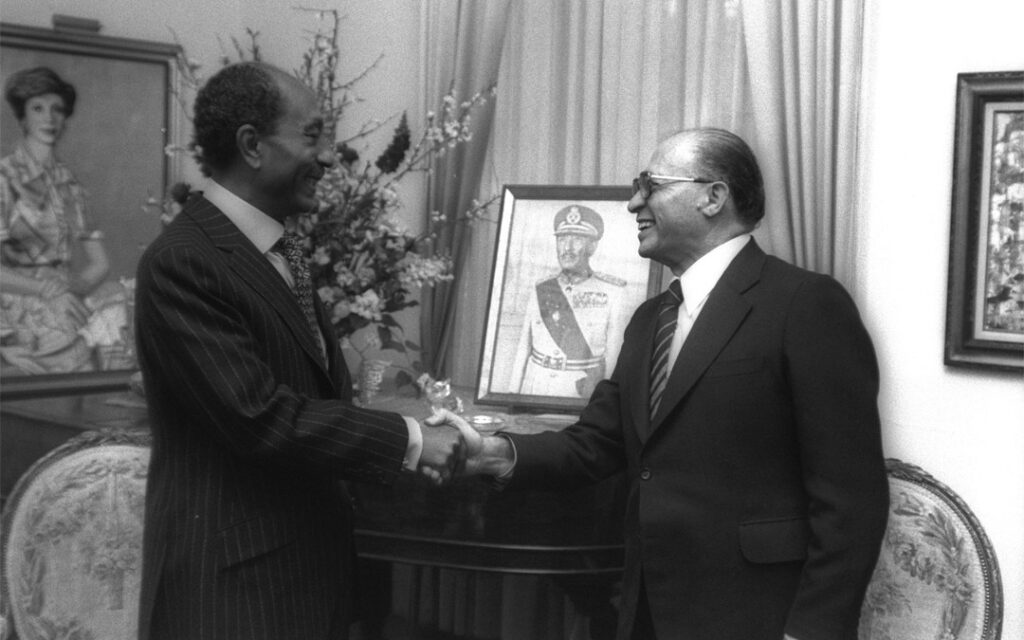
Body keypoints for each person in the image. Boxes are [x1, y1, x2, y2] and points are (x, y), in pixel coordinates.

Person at [435, 128, 890, 640]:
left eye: (650, 185)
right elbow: (596, 444)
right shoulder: (652, 318)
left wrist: (813, 630)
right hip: (649, 609)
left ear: (713, 196)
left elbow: (851, 498)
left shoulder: (805, 305)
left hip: (758, 617)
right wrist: (489, 454)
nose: (633, 203)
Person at [134, 61, 463, 640]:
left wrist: (398, 414)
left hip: (300, 581)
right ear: (252, 146)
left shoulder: (279, 248)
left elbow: (303, 394)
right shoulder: (185, 261)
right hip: (232, 600)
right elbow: (258, 417)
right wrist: (409, 441)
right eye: (312, 136)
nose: (332, 157)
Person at [0, 66, 111, 374]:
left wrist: (72, 288)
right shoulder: (3, 178)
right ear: (22, 117)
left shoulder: (71, 185)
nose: (49, 118)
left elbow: (100, 264)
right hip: (11, 314)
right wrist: (49, 292)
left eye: (57, 110)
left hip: (62, 308)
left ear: (65, 119)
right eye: (38, 108)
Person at [508, 204, 626, 399]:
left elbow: (613, 359)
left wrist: (605, 405)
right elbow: (523, 348)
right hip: (534, 385)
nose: (567, 248)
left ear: (592, 246)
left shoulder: (613, 293)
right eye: (562, 239)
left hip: (578, 391)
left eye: (577, 239)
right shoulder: (540, 288)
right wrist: (513, 395)